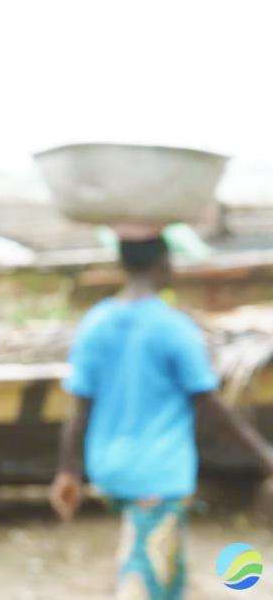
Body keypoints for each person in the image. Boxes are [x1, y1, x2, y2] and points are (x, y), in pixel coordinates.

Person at [50, 233, 273, 599]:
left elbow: (79, 407)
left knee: (162, 562)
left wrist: (68, 471)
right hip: (157, 473)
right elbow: (208, 405)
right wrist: (262, 454)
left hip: (109, 468)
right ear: (164, 264)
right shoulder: (173, 328)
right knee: (145, 571)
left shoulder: (96, 323)